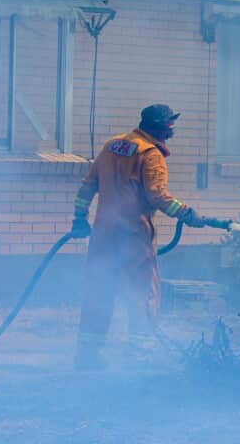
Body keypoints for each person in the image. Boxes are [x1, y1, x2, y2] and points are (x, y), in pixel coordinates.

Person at [70, 104, 202, 370]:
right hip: (134, 238)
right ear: (158, 126)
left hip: (104, 235)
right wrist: (186, 213)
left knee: (98, 292)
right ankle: (139, 360)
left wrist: (79, 218)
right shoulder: (150, 154)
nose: (172, 129)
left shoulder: (111, 146)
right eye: (170, 125)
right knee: (142, 295)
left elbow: (87, 187)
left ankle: (87, 356)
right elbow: (157, 195)